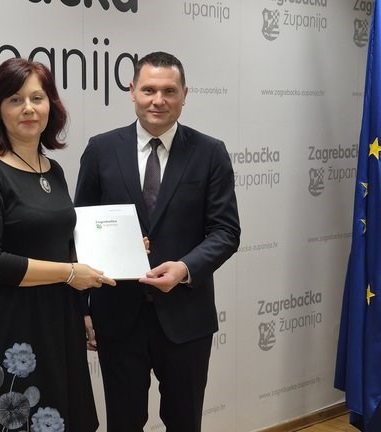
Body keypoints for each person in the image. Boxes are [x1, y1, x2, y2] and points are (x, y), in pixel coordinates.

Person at [74, 51, 241, 432]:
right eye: (149, 90)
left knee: (184, 423)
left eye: (169, 91)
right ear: (132, 91)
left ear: (185, 95)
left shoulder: (210, 152)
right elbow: (80, 230)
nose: (158, 100)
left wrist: (184, 268)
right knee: (123, 423)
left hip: (186, 318)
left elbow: (226, 231)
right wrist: (82, 307)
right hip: (117, 317)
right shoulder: (101, 149)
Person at [0, 57, 115, 432]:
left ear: (51, 106)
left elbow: (62, 244)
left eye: (37, 98)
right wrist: (69, 274)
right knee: (17, 419)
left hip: (60, 316)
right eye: (15, 99)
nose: (28, 108)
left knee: (64, 415)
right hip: (11, 321)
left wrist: (86, 303)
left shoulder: (53, 169)